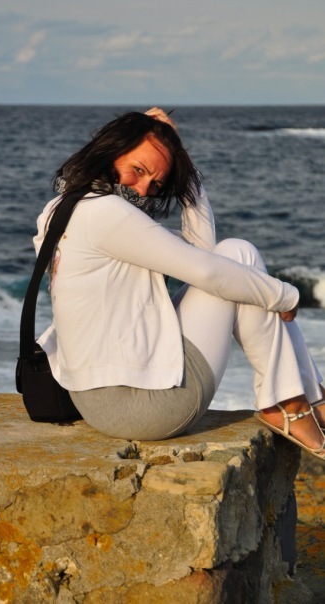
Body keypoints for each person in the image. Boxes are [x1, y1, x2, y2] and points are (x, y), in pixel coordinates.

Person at [33, 107, 325, 460]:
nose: (143, 189)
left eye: (155, 184)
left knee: (236, 256)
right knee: (239, 255)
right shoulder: (107, 213)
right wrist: (285, 295)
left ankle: (308, 398)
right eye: (138, 170)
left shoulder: (61, 208)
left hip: (95, 399)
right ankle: (291, 403)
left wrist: (178, 156)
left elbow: (203, 250)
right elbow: (209, 270)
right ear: (111, 151)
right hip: (143, 407)